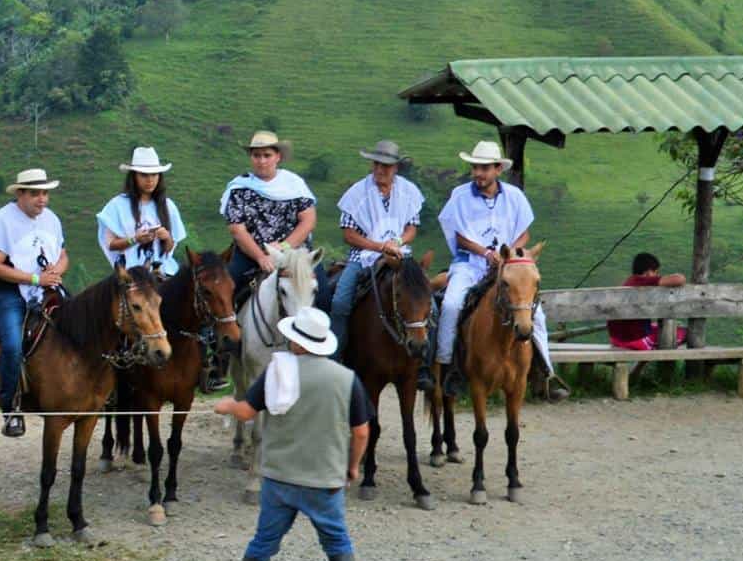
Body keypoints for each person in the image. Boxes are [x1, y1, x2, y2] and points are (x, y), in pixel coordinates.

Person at [212, 306, 372, 561]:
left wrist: (226, 405)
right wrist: (352, 466)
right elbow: (361, 432)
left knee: (264, 541)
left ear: (297, 342)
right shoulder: (346, 379)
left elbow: (245, 412)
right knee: (337, 541)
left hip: (279, 477)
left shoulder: (277, 372)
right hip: (324, 477)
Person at [434, 140, 562, 398]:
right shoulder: (460, 196)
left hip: (509, 266)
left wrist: (510, 254)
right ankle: (448, 368)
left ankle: (546, 373)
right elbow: (459, 237)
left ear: (497, 170)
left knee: (536, 315)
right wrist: (485, 252)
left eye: (484, 168)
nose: (478, 174)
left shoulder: (514, 197)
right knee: (450, 305)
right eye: (475, 168)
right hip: (470, 264)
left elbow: (525, 233)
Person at [0, 167, 70, 438]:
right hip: (9, 292)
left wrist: (56, 272)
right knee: (13, 344)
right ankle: (10, 407)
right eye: (36, 194)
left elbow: (63, 255)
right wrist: (35, 279)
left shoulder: (51, 219)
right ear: (21, 195)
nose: (43, 199)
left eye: (45, 193)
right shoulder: (3, 221)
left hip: (46, 285)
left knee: (81, 324)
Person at [327, 139, 425, 356]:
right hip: (362, 256)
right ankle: (333, 355)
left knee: (427, 302)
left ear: (396, 168)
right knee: (341, 302)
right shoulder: (356, 193)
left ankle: (425, 364)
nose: (380, 170)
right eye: (376, 164)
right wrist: (380, 246)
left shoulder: (409, 191)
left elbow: (412, 227)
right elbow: (349, 234)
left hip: (400, 254)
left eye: (386, 166)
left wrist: (397, 242)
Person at [220, 131, 317, 291]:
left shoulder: (294, 184)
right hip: (250, 254)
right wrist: (260, 257)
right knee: (225, 289)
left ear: (277, 157)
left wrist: (283, 247)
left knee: (323, 297)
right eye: (256, 155)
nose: (262, 160)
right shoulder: (239, 188)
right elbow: (237, 229)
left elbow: (308, 221)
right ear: (251, 157)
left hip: (294, 254)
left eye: (267, 155)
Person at [96, 146, 187, 277]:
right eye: (144, 175)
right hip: (131, 273)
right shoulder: (117, 205)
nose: (150, 180)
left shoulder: (168, 206)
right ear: (134, 177)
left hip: (163, 271)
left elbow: (168, 249)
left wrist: (166, 237)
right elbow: (111, 244)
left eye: (154, 175)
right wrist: (135, 239)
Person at [609, 251, 687, 351]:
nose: (657, 275)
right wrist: (676, 275)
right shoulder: (644, 281)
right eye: (656, 272)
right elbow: (679, 279)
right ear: (649, 272)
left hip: (617, 339)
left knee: (657, 328)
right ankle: (668, 364)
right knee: (682, 333)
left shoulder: (629, 282)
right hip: (634, 340)